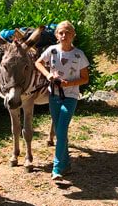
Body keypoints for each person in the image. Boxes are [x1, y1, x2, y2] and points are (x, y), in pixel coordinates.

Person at [34, 20, 90, 181]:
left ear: (73, 35)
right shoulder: (51, 51)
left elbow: (85, 78)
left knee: (61, 128)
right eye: (61, 32)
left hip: (71, 97)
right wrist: (47, 75)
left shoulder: (79, 55)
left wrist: (70, 83)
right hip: (54, 96)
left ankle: (57, 167)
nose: (64, 35)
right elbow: (38, 63)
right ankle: (66, 164)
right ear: (56, 35)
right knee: (60, 131)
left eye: (67, 32)